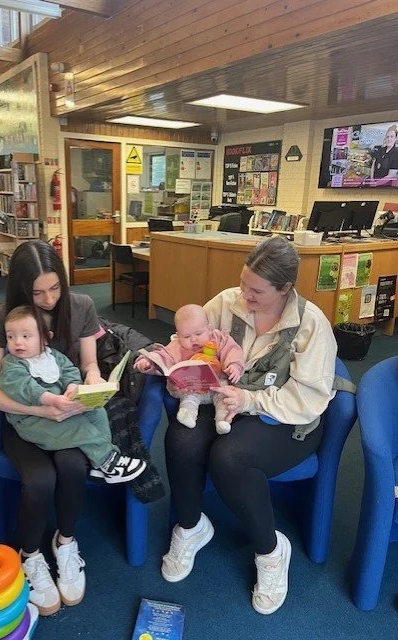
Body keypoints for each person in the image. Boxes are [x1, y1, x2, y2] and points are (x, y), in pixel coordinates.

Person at [0, 239, 161, 617]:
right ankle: (30, 555)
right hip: (28, 418)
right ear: (21, 291)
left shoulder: (80, 306)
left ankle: (65, 543)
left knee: (75, 467)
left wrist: (89, 384)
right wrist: (40, 409)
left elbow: (89, 365)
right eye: (38, 292)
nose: (48, 299)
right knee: (41, 479)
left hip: (69, 411)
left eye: (55, 287)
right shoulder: (4, 318)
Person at [162, 236, 337, 616]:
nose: (244, 294)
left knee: (230, 458)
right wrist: (176, 367)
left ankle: (271, 552)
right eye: (243, 283)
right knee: (182, 441)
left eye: (255, 290)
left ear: (285, 289)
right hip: (225, 403)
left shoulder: (311, 323)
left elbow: (310, 399)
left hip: (287, 418)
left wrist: (250, 400)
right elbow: (184, 340)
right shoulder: (225, 303)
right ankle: (191, 526)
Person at [0, 304, 146, 483]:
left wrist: (72, 386)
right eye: (10, 337)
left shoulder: (53, 356)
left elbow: (70, 371)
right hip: (33, 421)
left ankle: (98, 464)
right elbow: (24, 387)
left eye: (25, 336)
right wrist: (52, 399)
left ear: (46, 338)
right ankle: (108, 460)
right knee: (79, 428)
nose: (17, 342)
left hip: (62, 407)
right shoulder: (12, 364)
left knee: (97, 412)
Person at [134, 304, 244, 434]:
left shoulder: (219, 339)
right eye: (186, 336)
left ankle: (222, 420)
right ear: (178, 335)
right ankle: (188, 415)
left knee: (224, 398)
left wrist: (234, 366)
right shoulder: (177, 346)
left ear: (209, 329)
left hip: (218, 384)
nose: (193, 339)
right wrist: (148, 362)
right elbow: (163, 356)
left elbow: (232, 350)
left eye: (199, 333)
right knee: (188, 397)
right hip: (194, 387)